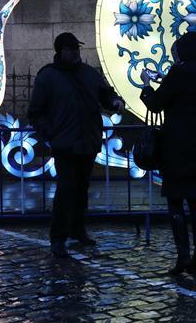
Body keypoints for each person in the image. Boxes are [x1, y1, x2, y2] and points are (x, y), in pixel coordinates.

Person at [28, 32, 124, 258]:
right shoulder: (48, 77)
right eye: (70, 49)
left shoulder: (89, 73)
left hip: (87, 141)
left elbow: (104, 94)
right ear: (60, 51)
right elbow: (35, 112)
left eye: (76, 48)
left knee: (81, 190)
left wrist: (114, 102)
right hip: (65, 143)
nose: (75, 52)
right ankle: (58, 237)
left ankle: (77, 229)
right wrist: (51, 133)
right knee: (66, 190)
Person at [139, 31, 196, 275]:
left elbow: (156, 103)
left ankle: (183, 256)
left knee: (175, 201)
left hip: (178, 146)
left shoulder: (179, 73)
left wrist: (146, 83)